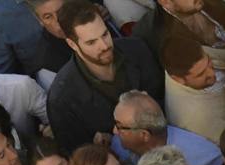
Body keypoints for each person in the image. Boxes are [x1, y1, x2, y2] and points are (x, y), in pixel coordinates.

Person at [46, 0, 163, 152]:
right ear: (72, 44)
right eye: (91, 42)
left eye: (105, 34)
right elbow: (77, 155)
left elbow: (162, 95)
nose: (104, 45)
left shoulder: (137, 49)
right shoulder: (62, 99)